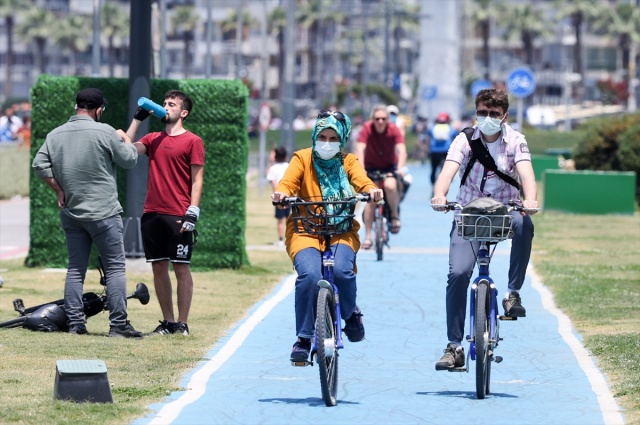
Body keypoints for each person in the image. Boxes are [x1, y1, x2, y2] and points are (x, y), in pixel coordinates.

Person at [431, 88, 538, 370]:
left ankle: (512, 293)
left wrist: (530, 200)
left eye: (493, 114)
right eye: (482, 113)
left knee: (524, 223)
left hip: (505, 210)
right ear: (475, 113)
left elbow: (527, 174)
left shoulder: (516, 140)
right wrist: (440, 195)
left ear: (504, 117)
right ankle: (454, 347)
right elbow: (448, 171)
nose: (487, 118)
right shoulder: (464, 139)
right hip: (468, 213)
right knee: (458, 273)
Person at [272, 110, 383, 362]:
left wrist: (372, 190)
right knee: (309, 275)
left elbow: (362, 181)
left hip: (342, 227)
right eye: (323, 136)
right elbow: (288, 183)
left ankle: (350, 313)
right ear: (314, 135)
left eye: (333, 138)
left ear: (342, 139)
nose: (327, 142)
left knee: (343, 271)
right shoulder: (302, 158)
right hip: (305, 229)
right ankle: (303, 337)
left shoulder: (349, 161)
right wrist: (281, 193)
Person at [32, 87, 143, 338]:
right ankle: (118, 325)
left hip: (72, 212)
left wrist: (58, 190)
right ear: (99, 109)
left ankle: (75, 324)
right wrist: (124, 138)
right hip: (104, 212)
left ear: (77, 107)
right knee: (115, 268)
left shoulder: (56, 134)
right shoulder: (105, 131)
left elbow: (39, 165)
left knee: (75, 269)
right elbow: (129, 160)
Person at [125, 90, 205, 337]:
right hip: (152, 214)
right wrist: (137, 118)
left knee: (181, 268)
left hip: (179, 214)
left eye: (172, 104)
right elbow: (126, 150)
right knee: (158, 269)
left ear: (183, 113)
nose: (165, 107)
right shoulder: (152, 139)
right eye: (164, 103)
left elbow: (197, 180)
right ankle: (168, 323)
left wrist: (193, 211)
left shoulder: (193, 141)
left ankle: (182, 323)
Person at [356, 104, 407, 249]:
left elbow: (402, 150)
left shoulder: (393, 129)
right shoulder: (367, 128)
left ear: (387, 120)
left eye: (383, 119)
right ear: (373, 119)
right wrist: (361, 169)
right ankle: (367, 237)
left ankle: (395, 216)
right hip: (370, 168)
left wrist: (400, 168)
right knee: (371, 200)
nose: (380, 122)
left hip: (389, 167)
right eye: (377, 119)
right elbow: (360, 148)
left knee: (390, 185)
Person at [427, 112, 458, 190]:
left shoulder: (433, 128)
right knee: (444, 170)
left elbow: (428, 137)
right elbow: (456, 137)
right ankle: (442, 187)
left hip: (434, 151)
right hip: (446, 151)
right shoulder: (450, 128)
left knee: (433, 169)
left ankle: (433, 187)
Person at [266, 146, 290, 246]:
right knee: (289, 219)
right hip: (289, 196)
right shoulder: (289, 166)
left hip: (278, 196)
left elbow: (272, 181)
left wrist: (270, 161)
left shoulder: (273, 168)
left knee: (280, 220)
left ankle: (280, 239)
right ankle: (290, 238)